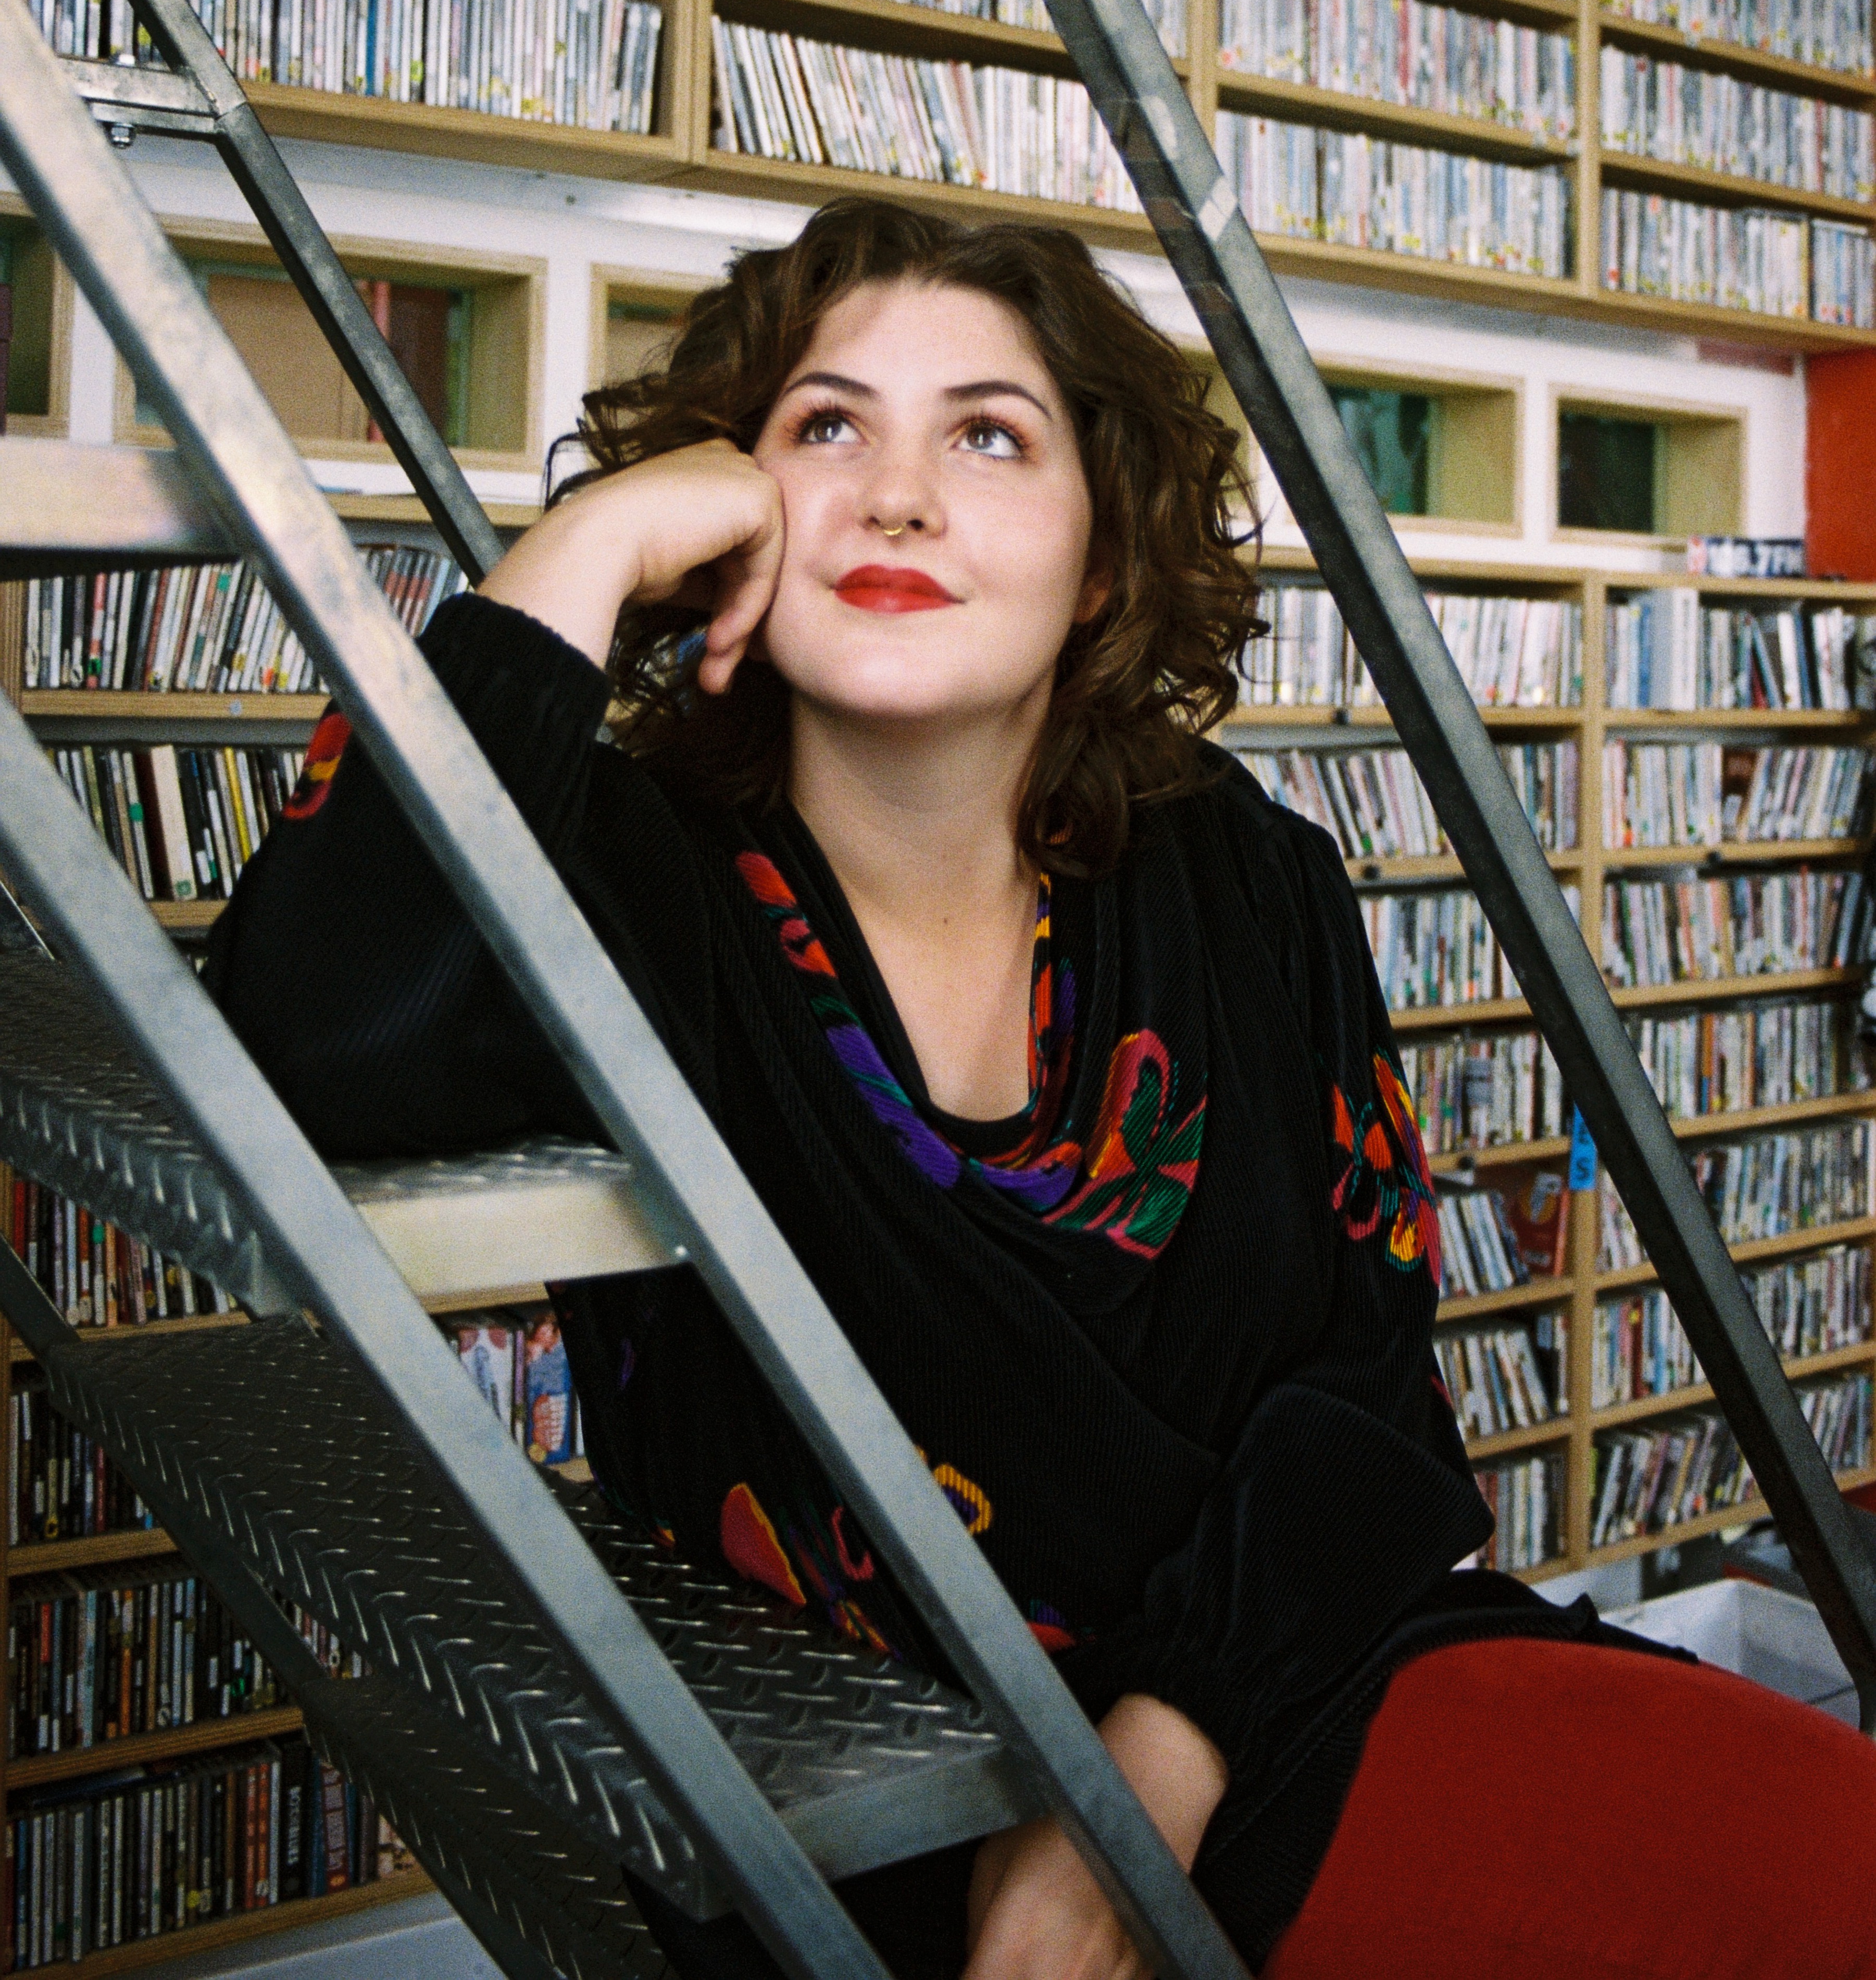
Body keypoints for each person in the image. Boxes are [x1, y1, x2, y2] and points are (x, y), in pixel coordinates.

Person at [209, 198, 1876, 1979]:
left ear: (1100, 557)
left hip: (1281, 1692)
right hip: (884, 1806)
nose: (898, 495)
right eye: (823, 428)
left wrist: (1141, 1787)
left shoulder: (1248, 874)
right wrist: (594, 543)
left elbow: (1369, 1392)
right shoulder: (614, 880)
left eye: (986, 435)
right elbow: (305, 1045)